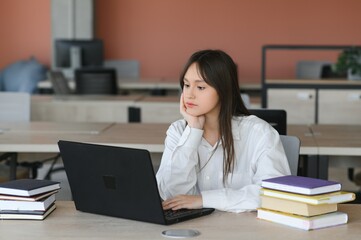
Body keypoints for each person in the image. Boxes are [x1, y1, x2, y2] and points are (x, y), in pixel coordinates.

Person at [156, 49, 290, 213]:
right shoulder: (178, 131)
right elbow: (171, 196)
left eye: (200, 87)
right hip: (193, 230)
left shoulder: (259, 133)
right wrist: (193, 131)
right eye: (186, 85)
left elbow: (275, 194)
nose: (189, 95)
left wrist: (203, 200)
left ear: (223, 89)